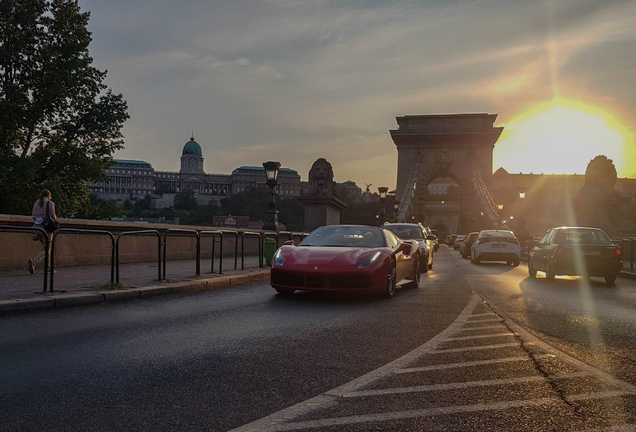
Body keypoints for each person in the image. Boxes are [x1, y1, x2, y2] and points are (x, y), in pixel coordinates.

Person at [29, 189, 56, 274]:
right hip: (46, 228)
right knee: (47, 249)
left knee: (45, 248)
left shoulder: (37, 202)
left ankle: (48, 267)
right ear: (49, 196)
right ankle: (34, 261)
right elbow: (53, 216)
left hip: (36, 227)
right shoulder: (50, 203)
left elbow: (33, 216)